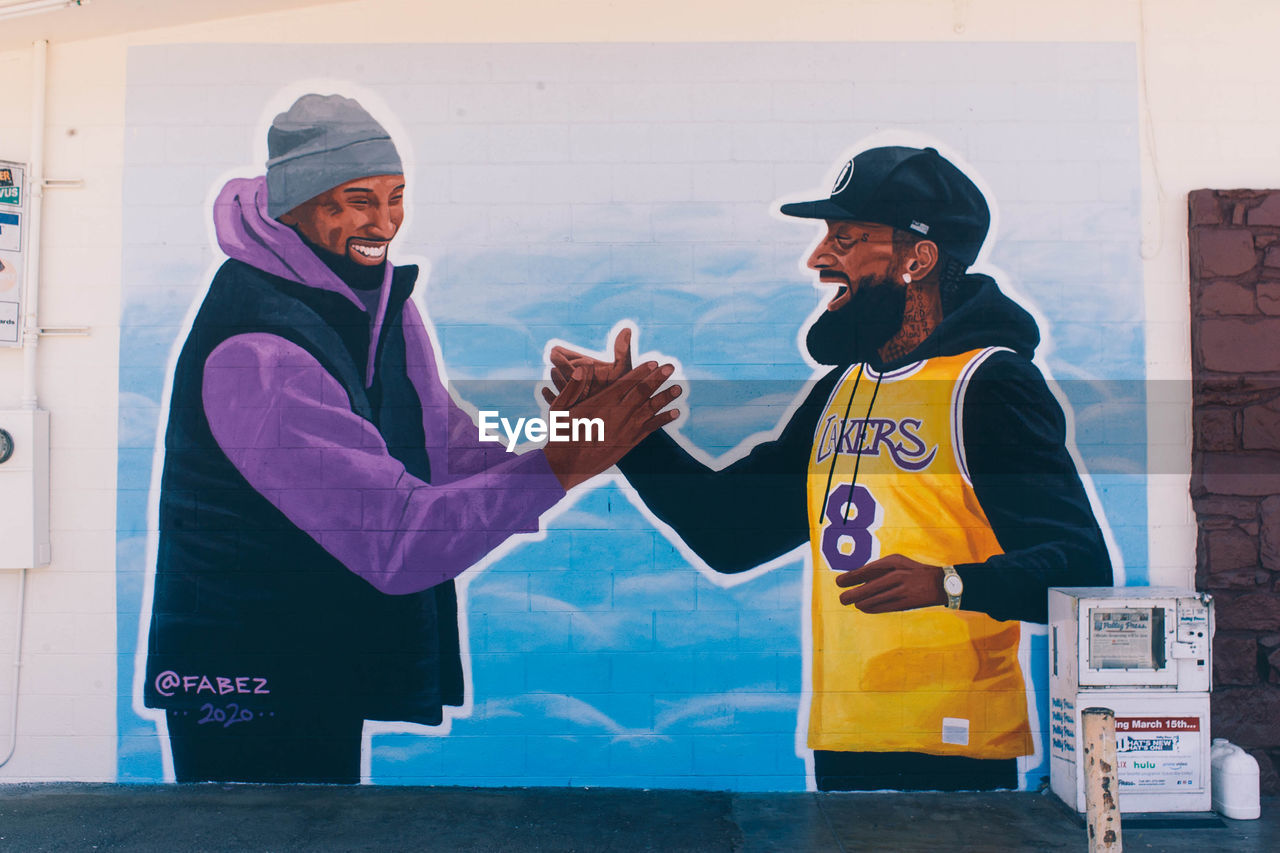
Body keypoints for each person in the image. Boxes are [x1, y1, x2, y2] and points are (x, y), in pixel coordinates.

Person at [142, 93, 679, 784]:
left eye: (396, 197)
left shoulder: (379, 304)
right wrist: (563, 460)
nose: (384, 221)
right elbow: (394, 537)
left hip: (322, 660)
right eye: (356, 199)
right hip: (244, 683)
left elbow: (446, 449)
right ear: (293, 206)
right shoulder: (258, 353)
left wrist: (573, 430)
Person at [547, 145, 1113, 792]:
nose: (817, 258)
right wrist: (625, 429)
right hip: (846, 737)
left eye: (845, 238)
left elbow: (1080, 567)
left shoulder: (987, 385)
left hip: (955, 741)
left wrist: (951, 584)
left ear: (916, 259)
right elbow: (730, 534)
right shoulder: (841, 390)